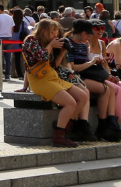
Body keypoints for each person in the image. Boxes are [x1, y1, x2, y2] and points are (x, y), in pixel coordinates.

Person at [22, 18, 89, 147]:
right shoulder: (30, 40)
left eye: (57, 33)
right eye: (53, 33)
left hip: (52, 76)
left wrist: (62, 51)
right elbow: (41, 57)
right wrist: (51, 46)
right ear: (43, 31)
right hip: (39, 80)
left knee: (83, 96)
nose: (55, 36)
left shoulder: (49, 43)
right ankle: (59, 136)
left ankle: (63, 126)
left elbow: (54, 66)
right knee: (70, 103)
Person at [64, 20, 121, 141]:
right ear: (81, 32)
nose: (88, 37)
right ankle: (100, 125)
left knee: (109, 89)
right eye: (87, 34)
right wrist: (91, 62)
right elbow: (72, 67)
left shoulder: (82, 44)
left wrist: (93, 63)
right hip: (76, 76)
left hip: (85, 74)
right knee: (104, 89)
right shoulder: (69, 44)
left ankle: (107, 123)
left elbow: (83, 64)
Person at [0, 4, 15, 84]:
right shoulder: (10, 18)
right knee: (8, 58)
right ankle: (7, 74)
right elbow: (12, 28)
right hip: (8, 38)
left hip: (0, 38)